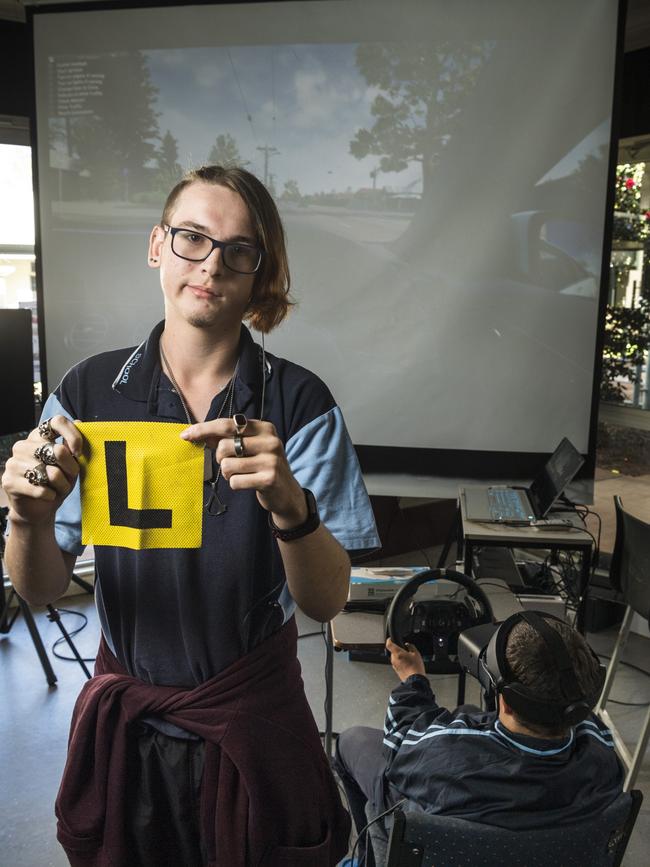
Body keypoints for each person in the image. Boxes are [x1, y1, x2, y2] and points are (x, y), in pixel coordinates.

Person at [2, 165, 380, 867]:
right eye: (192, 239)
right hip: (129, 727)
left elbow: (327, 600)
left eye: (238, 250)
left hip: (253, 720)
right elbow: (40, 589)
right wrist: (25, 520)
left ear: (260, 274)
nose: (211, 264)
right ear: (157, 245)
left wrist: (288, 506)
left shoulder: (300, 403)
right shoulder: (85, 390)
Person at [334, 615, 624, 867]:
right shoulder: (603, 754)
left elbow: (400, 744)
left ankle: (364, 859)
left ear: (507, 704)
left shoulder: (446, 758)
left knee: (351, 741)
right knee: (468, 713)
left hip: (431, 827)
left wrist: (414, 679)